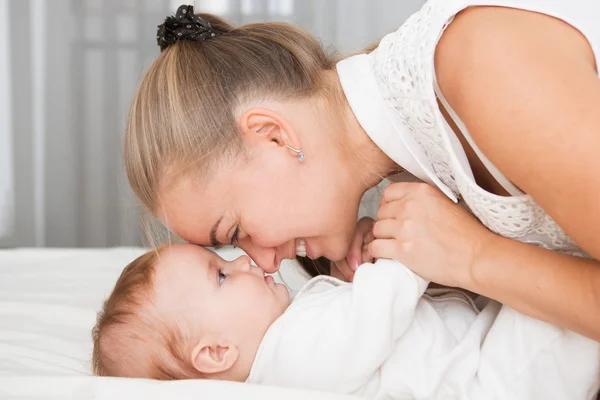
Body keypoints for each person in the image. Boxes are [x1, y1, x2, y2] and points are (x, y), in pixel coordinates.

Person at [124, 2, 600, 341]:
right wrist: (423, 277)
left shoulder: (483, 64)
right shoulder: (415, 153)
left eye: (237, 230)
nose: (265, 264)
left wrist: (475, 258)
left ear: (273, 135)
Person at [92, 244, 600, 399]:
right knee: (561, 286)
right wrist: (405, 254)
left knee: (542, 276)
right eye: (222, 277)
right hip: (497, 383)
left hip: (479, 349)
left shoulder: (290, 329)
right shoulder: (288, 360)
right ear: (216, 353)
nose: (245, 262)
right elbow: (370, 320)